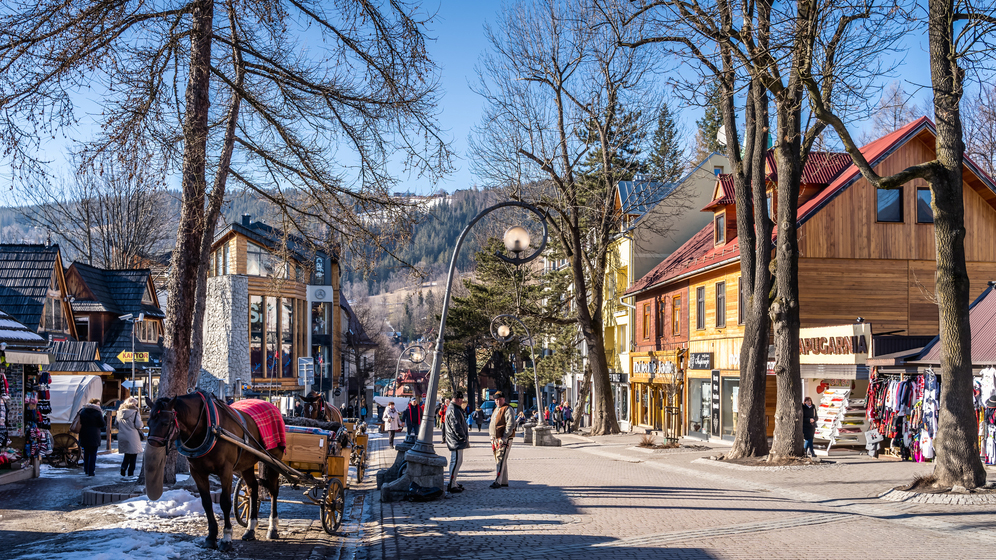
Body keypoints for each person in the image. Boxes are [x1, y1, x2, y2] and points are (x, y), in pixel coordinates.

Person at [488, 391, 516, 489]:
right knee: (500, 459)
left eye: (500, 399)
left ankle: (498, 481)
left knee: (500, 459)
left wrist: (505, 436)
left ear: (504, 399)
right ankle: (503, 480)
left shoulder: (508, 409)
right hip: (495, 438)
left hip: (503, 438)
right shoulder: (496, 409)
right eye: (496, 400)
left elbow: (511, 424)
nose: (498, 401)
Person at [444, 392, 469, 493]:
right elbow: (456, 425)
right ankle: (451, 484)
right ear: (458, 399)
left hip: (455, 439)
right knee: (456, 461)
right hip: (456, 440)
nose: (462, 402)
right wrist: (462, 437)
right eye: (461, 400)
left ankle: (453, 482)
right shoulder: (454, 409)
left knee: (456, 461)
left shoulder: (453, 408)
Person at [116, 397, 144, 477]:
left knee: (127, 454)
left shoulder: (119, 412)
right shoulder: (135, 412)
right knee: (133, 455)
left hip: (122, 435)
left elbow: (116, 424)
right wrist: (142, 424)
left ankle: (123, 467)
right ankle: (130, 473)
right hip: (132, 436)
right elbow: (138, 425)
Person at [78, 398, 105, 477]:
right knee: (93, 453)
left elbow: (80, 421)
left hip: (84, 433)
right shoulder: (97, 412)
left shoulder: (83, 411)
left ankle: (86, 469)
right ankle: (91, 471)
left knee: (86, 452)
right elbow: (102, 424)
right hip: (94, 434)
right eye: (98, 404)